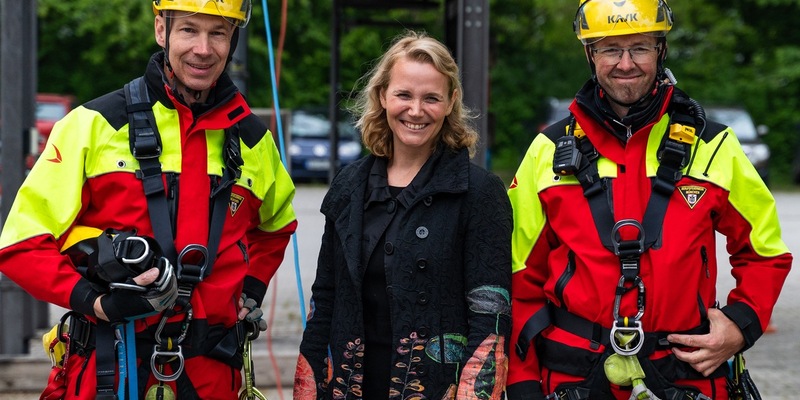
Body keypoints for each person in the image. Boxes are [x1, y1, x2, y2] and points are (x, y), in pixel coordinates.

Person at [0, 1, 297, 399]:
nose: (204, 49)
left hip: (212, 373)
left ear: (233, 40)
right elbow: (21, 244)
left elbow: (278, 227)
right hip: (111, 366)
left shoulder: (252, 140)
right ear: (162, 30)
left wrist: (250, 292)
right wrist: (95, 302)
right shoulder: (94, 125)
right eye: (189, 30)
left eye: (218, 33)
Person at [506, 1, 792, 399]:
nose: (626, 63)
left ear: (661, 50)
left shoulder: (713, 146)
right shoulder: (547, 151)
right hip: (573, 379)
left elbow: (765, 251)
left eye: (640, 47)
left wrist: (741, 324)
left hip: (686, 374)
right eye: (610, 49)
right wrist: (521, 385)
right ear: (590, 54)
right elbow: (519, 278)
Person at [292, 30, 512, 399]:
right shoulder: (348, 186)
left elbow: (490, 314)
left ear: (451, 102)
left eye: (431, 98)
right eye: (404, 95)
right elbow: (325, 299)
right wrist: (308, 385)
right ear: (382, 96)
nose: (416, 110)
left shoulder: (479, 192)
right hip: (348, 389)